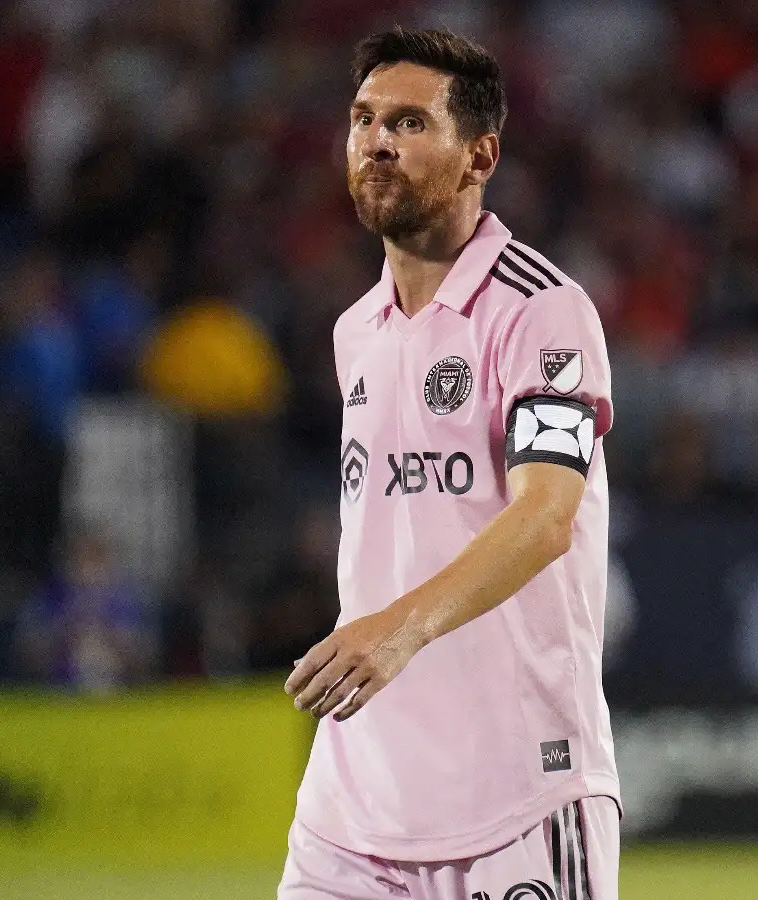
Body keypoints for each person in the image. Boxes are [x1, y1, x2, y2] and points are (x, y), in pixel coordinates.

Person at [278, 27, 619, 900]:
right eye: (362, 119)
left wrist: (398, 629)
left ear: (480, 156)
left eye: (408, 122)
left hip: (518, 800)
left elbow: (545, 519)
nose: (376, 141)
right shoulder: (356, 332)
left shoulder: (542, 312)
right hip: (352, 809)